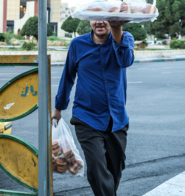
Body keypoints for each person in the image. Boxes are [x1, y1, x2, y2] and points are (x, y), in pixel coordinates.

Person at [52, 20, 134, 196]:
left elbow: (126, 60)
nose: (99, 22)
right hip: (86, 117)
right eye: (94, 17)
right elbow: (68, 76)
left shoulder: (124, 38)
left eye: (104, 17)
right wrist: (58, 108)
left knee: (115, 168)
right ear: (89, 20)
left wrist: (117, 27)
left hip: (116, 119)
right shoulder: (77, 45)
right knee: (97, 167)